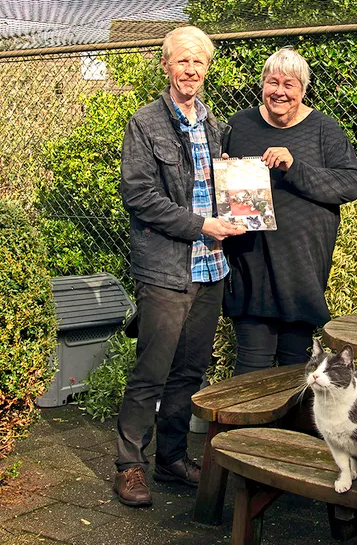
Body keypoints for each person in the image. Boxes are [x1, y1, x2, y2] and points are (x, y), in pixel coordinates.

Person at [115, 25, 245, 507]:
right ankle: (129, 465)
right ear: (166, 66)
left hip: (211, 268)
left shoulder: (214, 125)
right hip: (167, 268)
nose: (190, 70)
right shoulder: (145, 122)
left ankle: (170, 458)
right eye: (182, 61)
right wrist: (201, 225)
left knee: (189, 372)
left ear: (206, 69)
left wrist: (233, 178)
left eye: (199, 63)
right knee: (151, 370)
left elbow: (218, 188)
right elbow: (140, 195)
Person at [223, 47, 357, 375]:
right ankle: (246, 428)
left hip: (301, 270)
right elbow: (217, 186)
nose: (279, 92)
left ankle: (284, 427)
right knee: (251, 366)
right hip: (250, 263)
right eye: (272, 82)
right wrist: (223, 174)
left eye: (289, 84)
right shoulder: (238, 126)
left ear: (303, 89)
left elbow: (348, 184)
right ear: (262, 85)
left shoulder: (323, 130)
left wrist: (294, 166)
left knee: (294, 367)